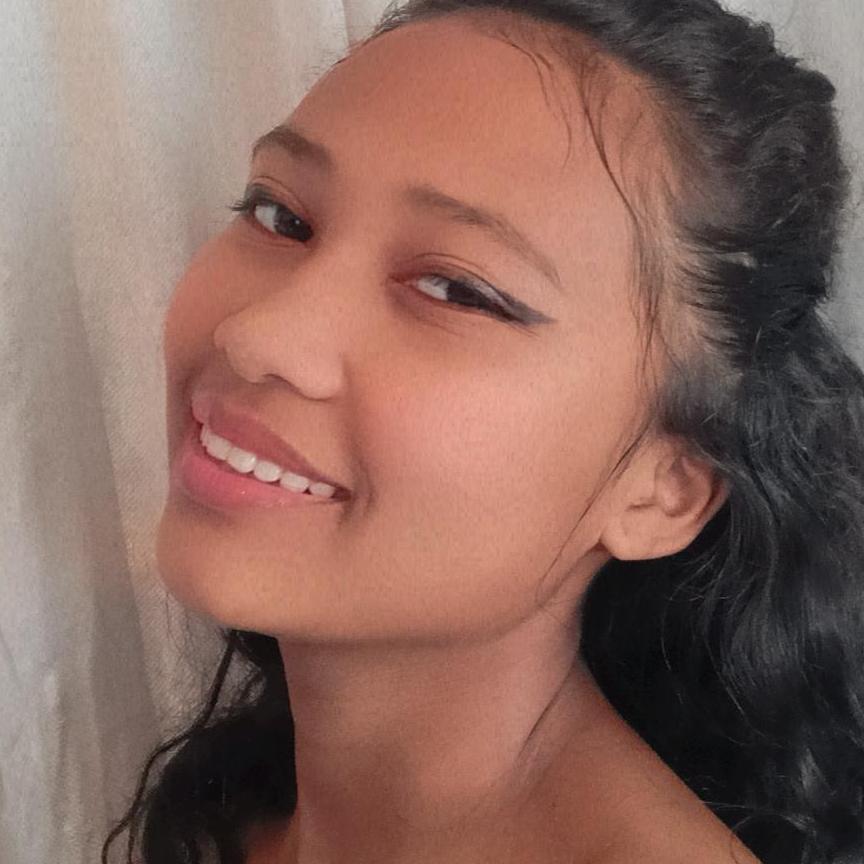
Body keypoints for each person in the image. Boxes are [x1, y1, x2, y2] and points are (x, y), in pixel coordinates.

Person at [101, 1, 864, 862]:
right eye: (281, 215)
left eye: (457, 290)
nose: (258, 335)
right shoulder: (237, 811)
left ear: (665, 490)